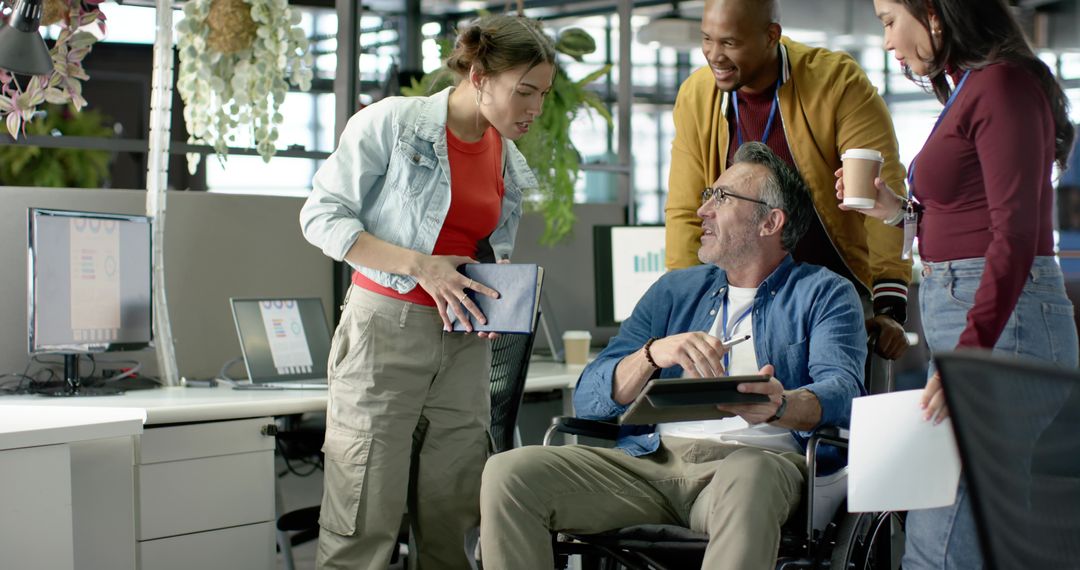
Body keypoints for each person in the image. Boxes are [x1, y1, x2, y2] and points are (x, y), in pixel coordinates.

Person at [480, 142, 867, 569]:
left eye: (722, 198)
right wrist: (652, 354)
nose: (703, 211)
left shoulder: (823, 292)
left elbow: (845, 393)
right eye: (708, 196)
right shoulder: (675, 290)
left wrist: (780, 405)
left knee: (751, 472)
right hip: (650, 465)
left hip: (753, 467)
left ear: (770, 222)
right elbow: (591, 398)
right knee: (509, 474)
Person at [299, 14, 555, 569]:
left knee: (452, 527)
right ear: (481, 76)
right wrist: (423, 267)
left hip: (465, 345)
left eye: (543, 95)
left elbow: (485, 250)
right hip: (384, 335)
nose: (535, 108)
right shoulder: (391, 123)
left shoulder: (508, 158)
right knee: (361, 527)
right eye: (525, 92)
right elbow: (321, 218)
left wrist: (498, 291)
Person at [838, 1, 1080, 567]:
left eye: (889, 19)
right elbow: (969, 215)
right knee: (962, 523)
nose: (889, 40)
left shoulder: (1001, 86)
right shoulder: (972, 85)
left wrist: (968, 357)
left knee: (942, 530)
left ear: (935, 12)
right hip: (981, 313)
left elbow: (1016, 236)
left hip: (1001, 322)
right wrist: (898, 212)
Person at [665, 0, 911, 360]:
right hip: (744, 297)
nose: (714, 55)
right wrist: (685, 309)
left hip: (835, 294)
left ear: (771, 36)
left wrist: (889, 304)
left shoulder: (835, 82)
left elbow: (877, 189)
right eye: (707, 39)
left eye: (730, 43)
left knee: (832, 404)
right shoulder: (696, 95)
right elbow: (687, 211)